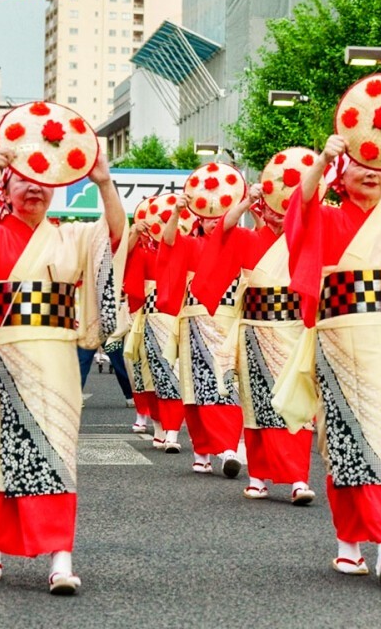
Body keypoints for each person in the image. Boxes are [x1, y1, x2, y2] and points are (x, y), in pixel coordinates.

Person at [0, 143, 125, 595]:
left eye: (41, 184)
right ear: (7, 188)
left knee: (55, 452)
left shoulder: (70, 236)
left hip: (54, 357)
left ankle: (61, 558)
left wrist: (104, 181)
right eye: (22, 182)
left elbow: (114, 237)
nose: (32, 190)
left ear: (53, 192)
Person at [272, 134, 381, 588]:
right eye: (359, 166)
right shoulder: (327, 218)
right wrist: (322, 160)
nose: (370, 173)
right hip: (338, 338)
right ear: (341, 178)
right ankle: (348, 543)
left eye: (378, 166)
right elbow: (301, 210)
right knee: (344, 440)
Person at [158, 185, 259, 478]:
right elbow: (168, 241)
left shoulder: (239, 241)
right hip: (193, 321)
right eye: (207, 216)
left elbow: (265, 248)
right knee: (195, 387)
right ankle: (202, 450)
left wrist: (253, 207)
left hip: (227, 321)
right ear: (198, 219)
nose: (213, 220)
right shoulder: (190, 245)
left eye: (220, 215)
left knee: (224, 382)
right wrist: (177, 211)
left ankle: (228, 447)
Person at [224, 189, 317, 503]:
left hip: (292, 328)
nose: (279, 213)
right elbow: (222, 233)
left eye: (286, 208)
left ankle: (298, 479)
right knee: (257, 405)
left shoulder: (302, 240)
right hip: (255, 330)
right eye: (273, 207)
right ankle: (258, 476)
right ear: (263, 209)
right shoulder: (249, 239)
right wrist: (245, 203)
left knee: (293, 400)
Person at [121, 219, 176, 447]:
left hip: (174, 318)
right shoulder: (142, 251)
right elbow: (121, 258)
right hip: (146, 318)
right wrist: (134, 231)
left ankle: (172, 430)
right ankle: (157, 424)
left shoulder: (181, 245)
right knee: (147, 376)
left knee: (173, 376)